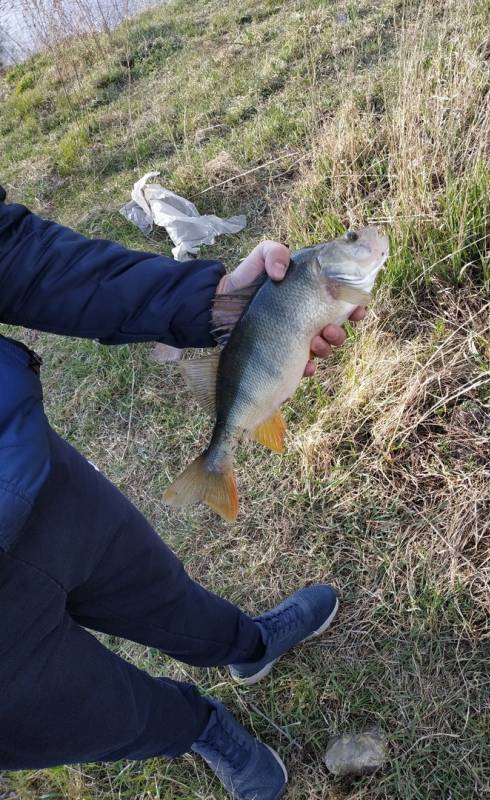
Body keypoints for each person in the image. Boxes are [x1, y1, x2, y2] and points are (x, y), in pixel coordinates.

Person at [0, 185, 366, 800]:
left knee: (157, 590)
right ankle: (198, 729)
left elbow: (10, 250)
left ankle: (247, 645)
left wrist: (209, 303)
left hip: (18, 467)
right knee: (93, 712)